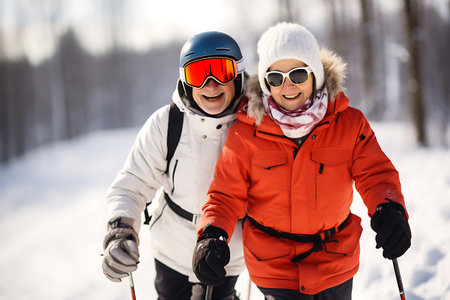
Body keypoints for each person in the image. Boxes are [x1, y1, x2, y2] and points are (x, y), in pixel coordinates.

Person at [192, 22, 412, 299]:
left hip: (336, 260)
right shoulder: (247, 132)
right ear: (265, 83)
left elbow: (376, 174)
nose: (287, 86)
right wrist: (211, 233)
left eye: (297, 74)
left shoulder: (348, 123)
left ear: (315, 75)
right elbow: (225, 195)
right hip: (275, 266)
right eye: (275, 78)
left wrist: (389, 208)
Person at [102, 31, 247, 300]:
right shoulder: (167, 123)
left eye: (221, 71)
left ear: (238, 74)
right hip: (171, 251)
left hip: (227, 253)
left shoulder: (254, 126)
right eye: (198, 74)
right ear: (184, 80)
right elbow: (132, 185)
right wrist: (120, 231)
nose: (211, 84)